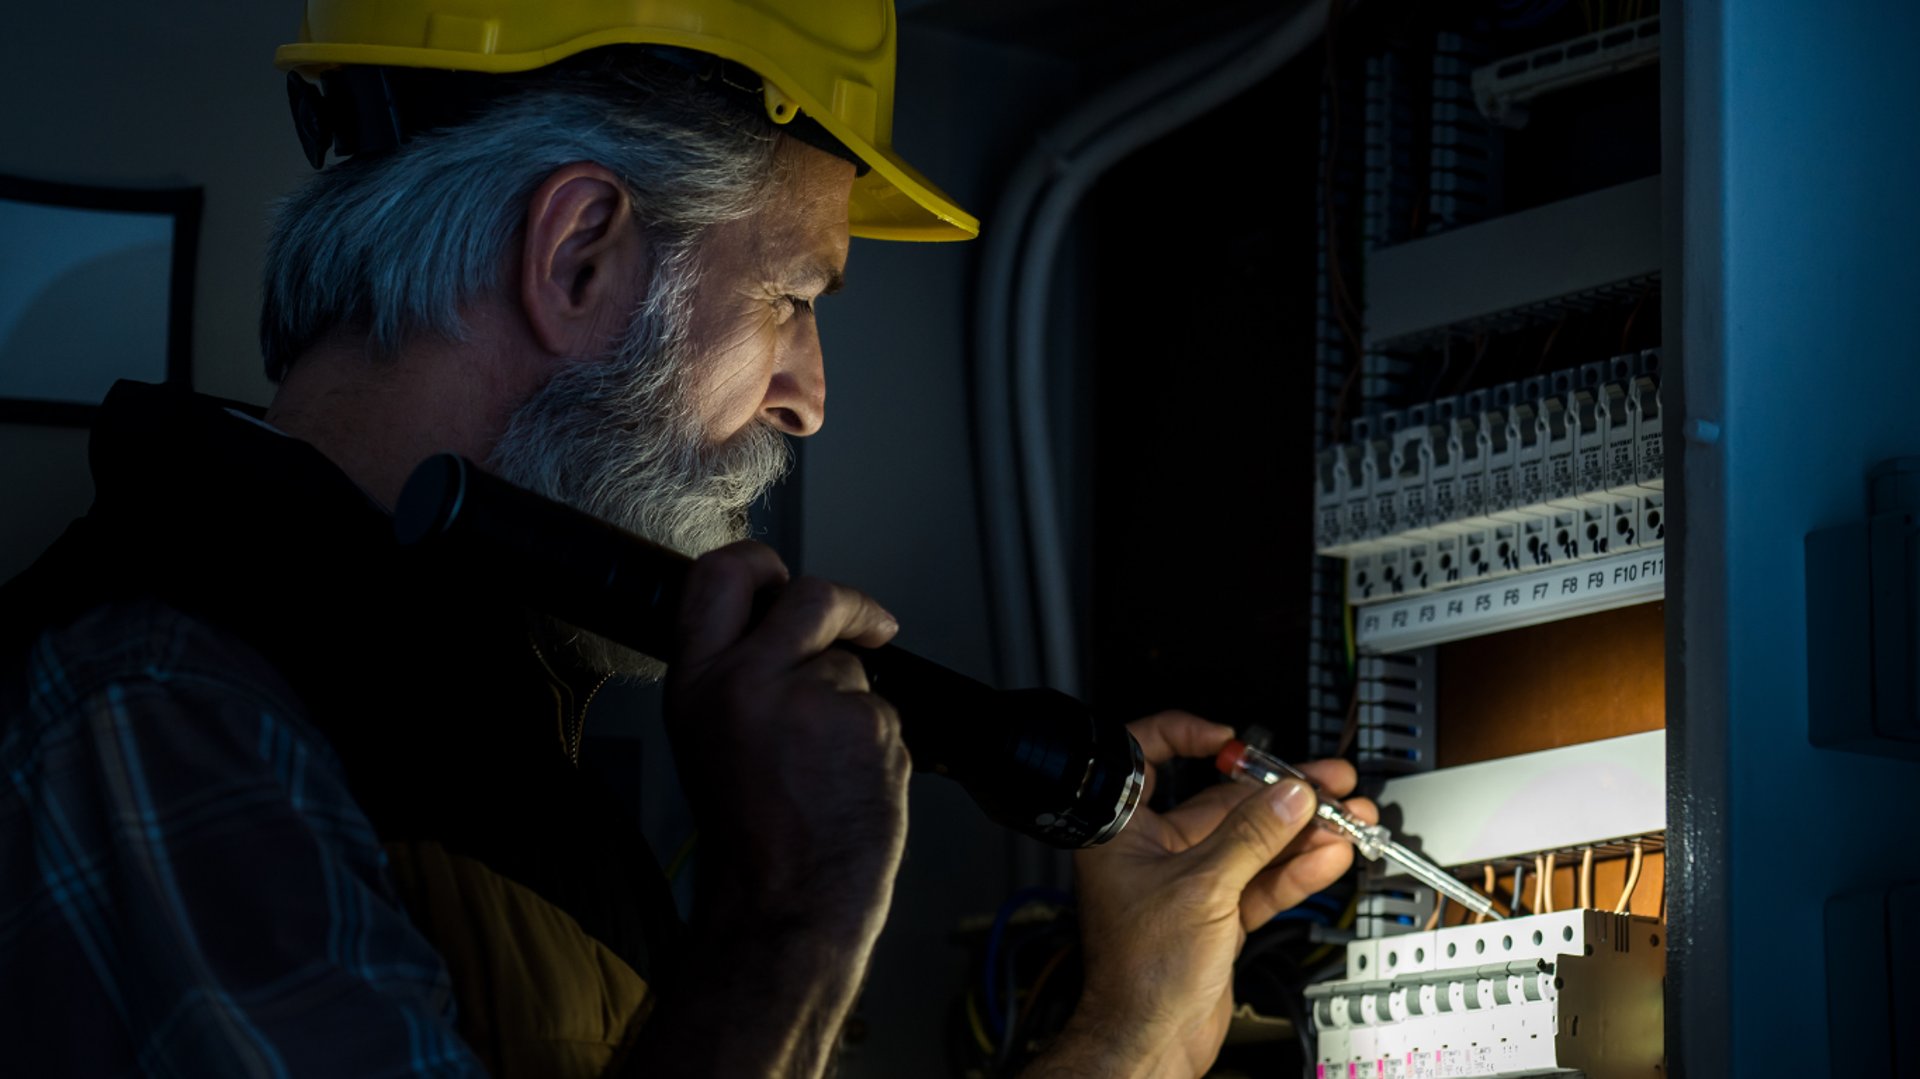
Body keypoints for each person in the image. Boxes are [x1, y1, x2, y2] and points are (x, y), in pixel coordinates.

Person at [0, 2, 1375, 1076]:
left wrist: (1131, 1034)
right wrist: (792, 910)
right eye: (791, 295)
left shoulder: (491, 741)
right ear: (581, 253)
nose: (810, 397)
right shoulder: (167, 708)